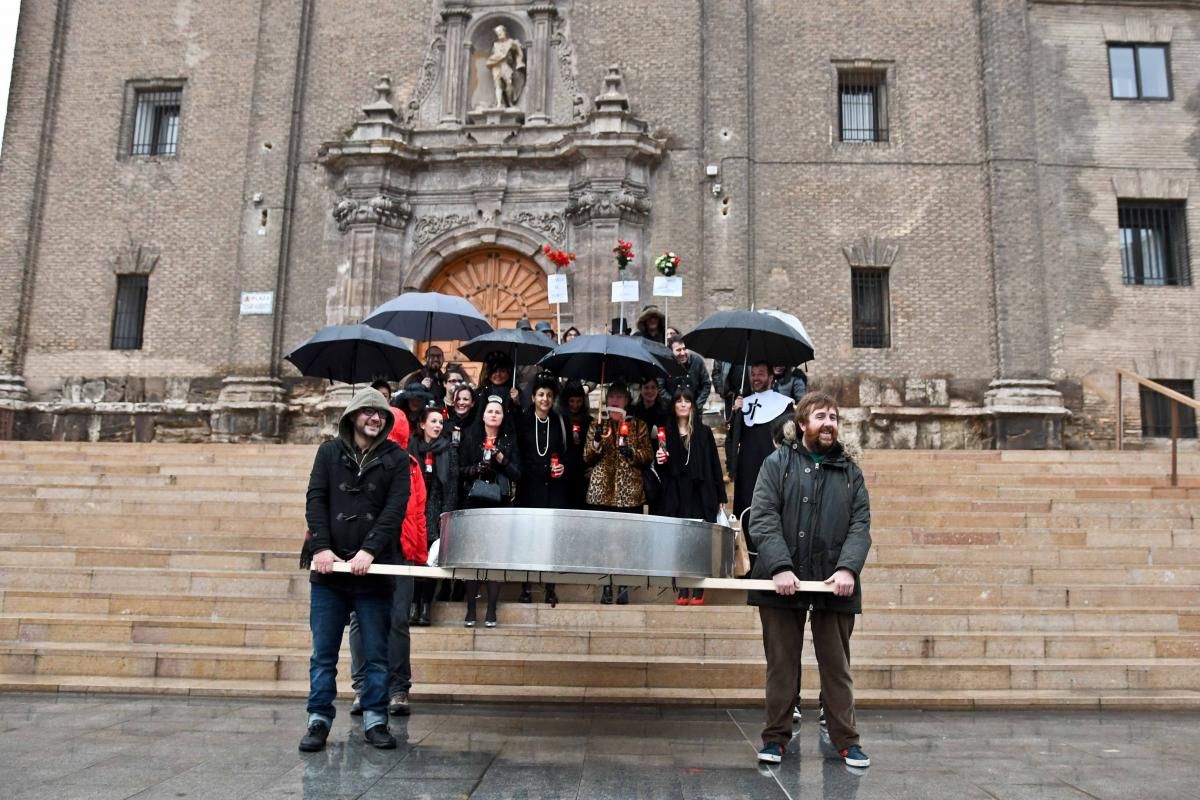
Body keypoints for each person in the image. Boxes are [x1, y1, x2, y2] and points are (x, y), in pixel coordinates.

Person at [748, 392, 871, 769]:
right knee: (782, 666)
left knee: (836, 666)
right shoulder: (777, 462)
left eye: (834, 416)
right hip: (781, 580)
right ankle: (775, 738)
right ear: (802, 424)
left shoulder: (850, 470)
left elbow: (860, 524)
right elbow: (763, 517)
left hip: (834, 583)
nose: (829, 422)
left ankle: (847, 741)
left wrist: (848, 568)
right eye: (821, 416)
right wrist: (781, 566)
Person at [299, 387, 409, 752]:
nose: (375, 418)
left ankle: (376, 719)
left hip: (373, 573)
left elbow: (395, 510)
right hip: (330, 574)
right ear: (352, 417)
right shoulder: (328, 453)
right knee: (323, 653)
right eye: (368, 412)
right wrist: (321, 547)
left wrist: (369, 550)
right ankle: (318, 719)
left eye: (380, 414)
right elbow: (316, 500)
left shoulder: (396, 458)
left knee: (377, 653)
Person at [653, 386, 726, 605]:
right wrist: (659, 458)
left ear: (693, 405)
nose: (683, 404)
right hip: (677, 492)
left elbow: (714, 464)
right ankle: (682, 586)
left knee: (699, 540)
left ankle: (699, 585)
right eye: (679, 401)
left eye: (687, 400)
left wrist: (721, 494)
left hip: (700, 491)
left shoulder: (703, 432)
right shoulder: (666, 432)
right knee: (679, 540)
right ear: (674, 405)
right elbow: (661, 468)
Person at [584, 383, 652, 604]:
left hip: (628, 493)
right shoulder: (598, 424)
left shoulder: (638, 425)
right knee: (603, 542)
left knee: (627, 541)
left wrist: (632, 452)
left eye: (619, 397)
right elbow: (587, 457)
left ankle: (623, 583)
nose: (615, 401)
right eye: (611, 396)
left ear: (626, 401)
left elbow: (647, 456)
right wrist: (596, 442)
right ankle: (606, 584)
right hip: (602, 491)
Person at [458, 394, 521, 626]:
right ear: (483, 414)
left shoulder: (509, 442)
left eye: (498, 412)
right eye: (490, 411)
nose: (494, 415)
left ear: (503, 417)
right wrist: (477, 468)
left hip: (500, 504)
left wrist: (502, 461)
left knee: (494, 557)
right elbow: (460, 470)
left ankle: (492, 608)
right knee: (472, 557)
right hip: (474, 503)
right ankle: (471, 608)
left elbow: (518, 474)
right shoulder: (471, 438)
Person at [516, 374, 570, 606]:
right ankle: (526, 587)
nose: (545, 399)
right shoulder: (524, 420)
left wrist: (563, 467)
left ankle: (550, 587)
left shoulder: (560, 421)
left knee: (551, 540)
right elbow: (517, 453)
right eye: (541, 395)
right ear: (533, 397)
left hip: (554, 488)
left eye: (549, 395)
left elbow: (567, 453)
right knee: (528, 539)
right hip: (529, 488)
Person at [409, 405, 459, 625]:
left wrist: (445, 517)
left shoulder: (448, 449)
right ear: (422, 424)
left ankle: (426, 607)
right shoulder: (412, 448)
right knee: (415, 561)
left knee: (430, 561)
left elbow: (452, 485)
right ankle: (413, 605)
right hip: (414, 512)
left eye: (440, 422)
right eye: (433, 421)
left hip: (436, 511)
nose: (438, 425)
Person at [726, 361, 794, 522]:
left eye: (761, 374)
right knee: (747, 513)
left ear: (771, 377)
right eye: (753, 374)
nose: (755, 378)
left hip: (773, 470)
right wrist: (736, 413)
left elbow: (790, 439)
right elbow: (733, 438)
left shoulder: (784, 404)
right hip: (747, 471)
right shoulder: (743, 403)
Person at [557, 381, 592, 510]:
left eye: (578, 401)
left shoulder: (589, 421)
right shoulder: (560, 419)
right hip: (565, 471)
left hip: (583, 473)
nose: (575, 405)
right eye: (572, 401)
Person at [667, 336, 712, 412]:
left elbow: (706, 384)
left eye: (684, 349)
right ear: (671, 351)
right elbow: (661, 387)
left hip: (695, 409)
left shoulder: (697, 361)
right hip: (672, 410)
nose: (682, 353)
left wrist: (697, 405)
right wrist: (674, 404)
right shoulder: (665, 363)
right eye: (678, 350)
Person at [487, 24, 525, 108]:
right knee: (497, 84)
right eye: (497, 33)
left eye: (500, 32)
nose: (499, 34)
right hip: (496, 65)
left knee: (509, 83)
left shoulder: (511, 42)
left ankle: (510, 103)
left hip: (506, 65)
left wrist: (520, 62)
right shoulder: (495, 44)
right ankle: (499, 104)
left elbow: (519, 51)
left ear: (505, 32)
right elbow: (492, 54)